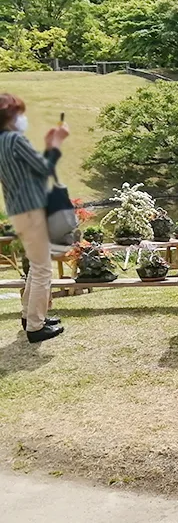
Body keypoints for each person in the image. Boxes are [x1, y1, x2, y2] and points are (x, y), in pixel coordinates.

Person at [0, 94, 68, 343]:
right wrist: (56, 143)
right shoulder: (15, 139)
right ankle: (36, 327)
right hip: (31, 209)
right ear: (10, 116)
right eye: (18, 114)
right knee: (42, 268)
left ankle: (30, 317)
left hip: (17, 210)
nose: (22, 119)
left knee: (35, 265)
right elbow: (43, 169)